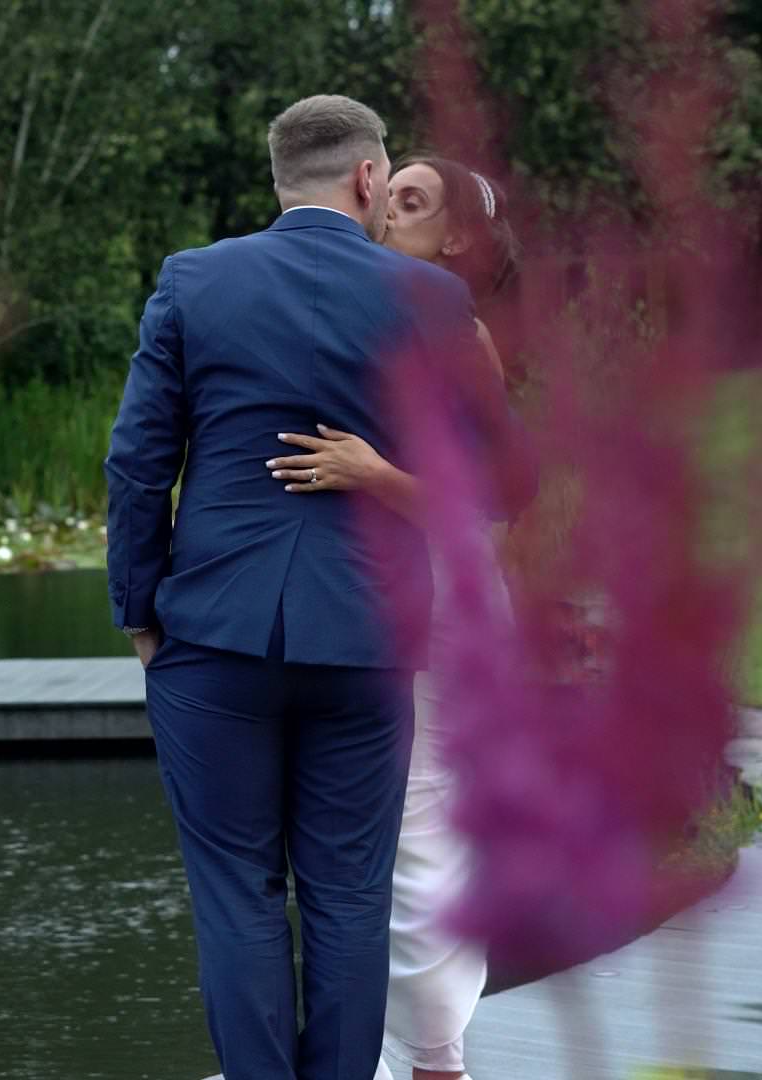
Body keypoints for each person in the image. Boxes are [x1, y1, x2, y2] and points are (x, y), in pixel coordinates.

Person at [106, 94, 509, 1079]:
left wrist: (139, 609)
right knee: (347, 893)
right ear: (368, 177)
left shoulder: (195, 281)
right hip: (369, 640)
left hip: (212, 636)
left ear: (278, 178)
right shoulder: (432, 302)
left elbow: (135, 463)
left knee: (238, 892)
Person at [265, 154, 530, 1080]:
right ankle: (391, 1051)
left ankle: (433, 1057)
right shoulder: (377, 308)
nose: (384, 206)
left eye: (411, 200)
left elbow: (505, 492)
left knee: (418, 829)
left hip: (445, 597)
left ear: (458, 237)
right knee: (371, 831)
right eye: (388, 190)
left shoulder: (456, 328)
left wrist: (374, 475)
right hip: (365, 598)